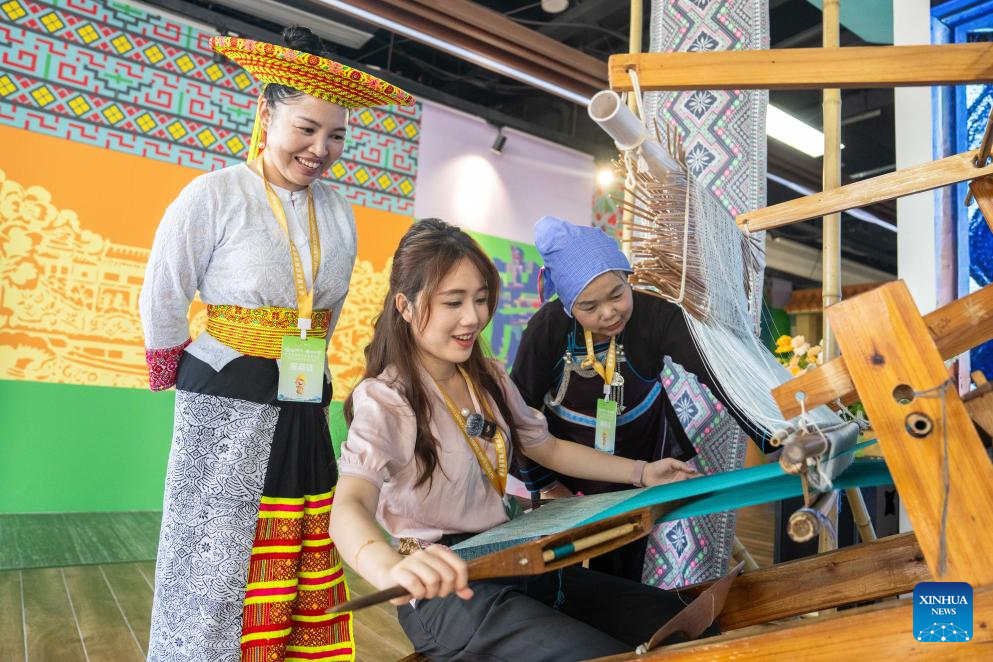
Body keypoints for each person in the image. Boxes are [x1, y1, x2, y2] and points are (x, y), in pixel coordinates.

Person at [138, 26, 414, 662]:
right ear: (266, 113)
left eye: (336, 135)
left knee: (300, 539)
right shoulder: (214, 194)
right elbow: (164, 289)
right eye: (306, 129)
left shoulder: (338, 210)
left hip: (301, 390)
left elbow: (329, 306)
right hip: (226, 391)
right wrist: (172, 366)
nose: (321, 149)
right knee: (218, 552)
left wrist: (308, 358)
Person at [332, 218, 708, 661]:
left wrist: (642, 472)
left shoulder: (488, 378)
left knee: (684, 620)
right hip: (447, 589)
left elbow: (547, 447)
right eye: (453, 302)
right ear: (406, 306)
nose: (473, 317)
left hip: (512, 558)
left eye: (480, 299)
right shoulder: (387, 399)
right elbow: (349, 505)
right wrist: (392, 568)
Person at [510, 215, 771, 582]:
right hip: (563, 456)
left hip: (636, 452)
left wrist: (774, 433)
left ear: (627, 276)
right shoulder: (547, 328)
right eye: (589, 307)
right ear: (568, 305)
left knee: (621, 562)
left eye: (617, 294)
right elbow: (517, 415)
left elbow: (718, 375)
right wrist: (547, 484)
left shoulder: (656, 316)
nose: (609, 313)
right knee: (558, 563)